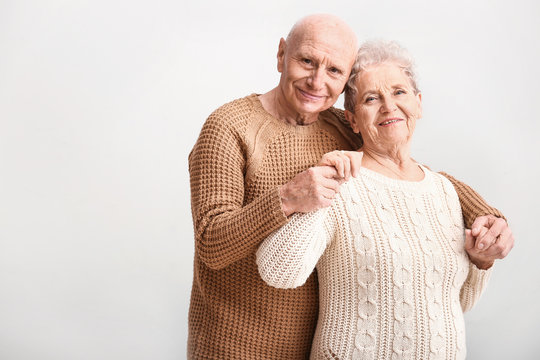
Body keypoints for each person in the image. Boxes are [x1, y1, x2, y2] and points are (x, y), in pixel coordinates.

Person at [188, 14, 511, 359]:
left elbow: (402, 171)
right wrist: (286, 199)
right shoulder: (229, 127)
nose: (317, 82)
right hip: (238, 345)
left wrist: (485, 215)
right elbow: (211, 243)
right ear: (282, 54)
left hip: (318, 342)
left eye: (334, 71)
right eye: (307, 61)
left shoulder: (342, 124)